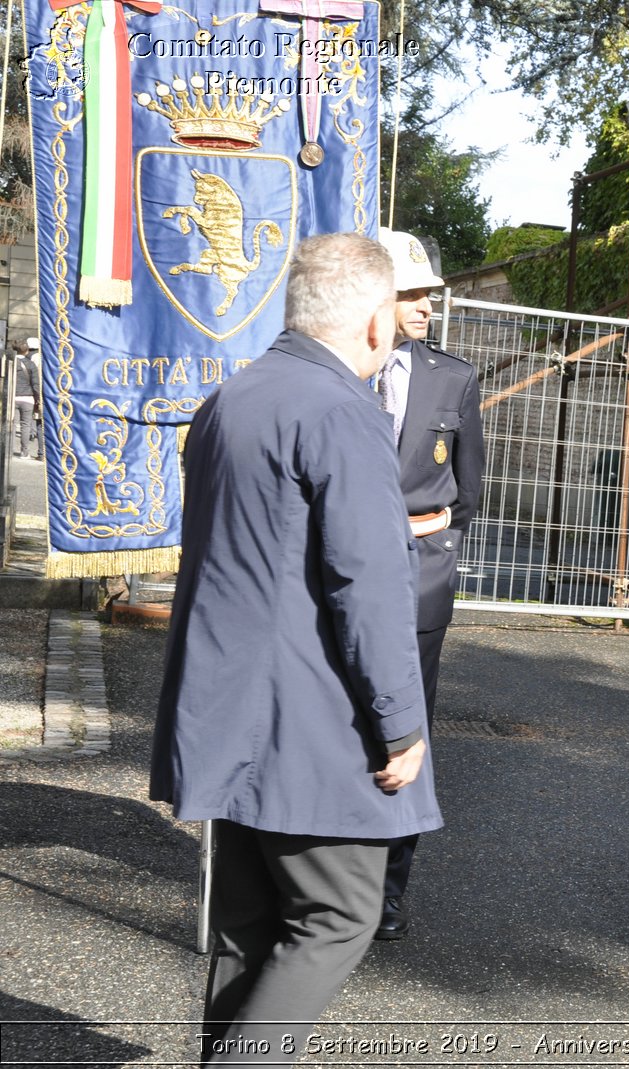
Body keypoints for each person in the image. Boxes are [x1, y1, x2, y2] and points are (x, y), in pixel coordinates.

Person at [148, 232, 439, 1065]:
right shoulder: (343, 411)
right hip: (307, 721)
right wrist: (401, 725)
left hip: (229, 710)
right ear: (377, 324)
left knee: (249, 926)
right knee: (339, 915)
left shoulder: (231, 396)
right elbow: (370, 586)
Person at [372, 227, 484, 941]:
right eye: (410, 294)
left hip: (417, 581)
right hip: (334, 575)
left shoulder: (453, 377)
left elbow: (469, 493)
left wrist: (423, 534)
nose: (425, 308)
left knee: (404, 733)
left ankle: (386, 887)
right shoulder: (340, 370)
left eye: (429, 295)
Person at [14, 338, 41, 458]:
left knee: (10, 425)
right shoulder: (31, 364)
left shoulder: (10, 362)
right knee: (25, 426)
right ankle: (24, 452)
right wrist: (38, 399)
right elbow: (35, 384)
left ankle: (6, 451)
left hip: (12, 397)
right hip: (28, 398)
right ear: (26, 351)